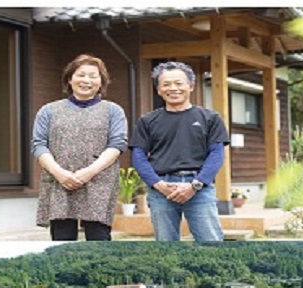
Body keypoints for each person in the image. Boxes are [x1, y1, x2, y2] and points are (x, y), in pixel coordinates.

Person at [129, 61, 230, 241]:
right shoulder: (147, 121)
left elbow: (216, 154)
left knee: (211, 243)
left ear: (190, 86)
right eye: (166, 84)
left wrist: (196, 185)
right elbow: (138, 156)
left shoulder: (210, 118)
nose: (173, 88)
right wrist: (158, 184)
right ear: (158, 90)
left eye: (178, 83)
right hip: (161, 189)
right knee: (167, 246)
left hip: (200, 187)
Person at [33, 54, 128, 241]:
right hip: (59, 181)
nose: (86, 80)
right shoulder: (49, 110)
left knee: (99, 239)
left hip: (99, 181)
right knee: (62, 240)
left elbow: (117, 144)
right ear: (70, 79)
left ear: (101, 82)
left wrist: (89, 172)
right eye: (81, 75)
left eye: (93, 76)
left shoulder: (113, 111)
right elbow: (39, 145)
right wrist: (59, 173)